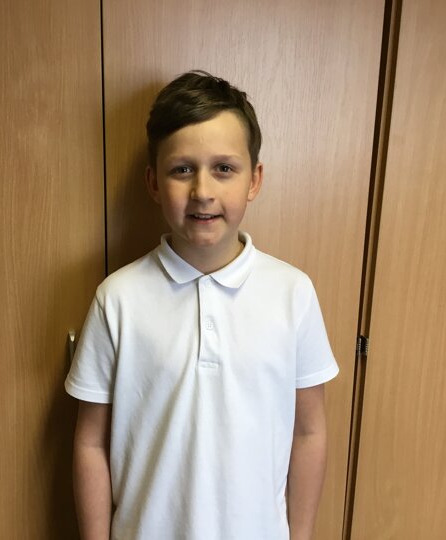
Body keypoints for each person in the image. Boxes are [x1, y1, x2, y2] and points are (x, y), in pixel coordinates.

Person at [65, 70, 339, 540]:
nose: (203, 191)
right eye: (182, 169)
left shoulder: (293, 293)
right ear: (153, 183)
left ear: (254, 180)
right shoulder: (118, 298)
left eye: (224, 168)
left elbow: (309, 432)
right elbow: (91, 441)